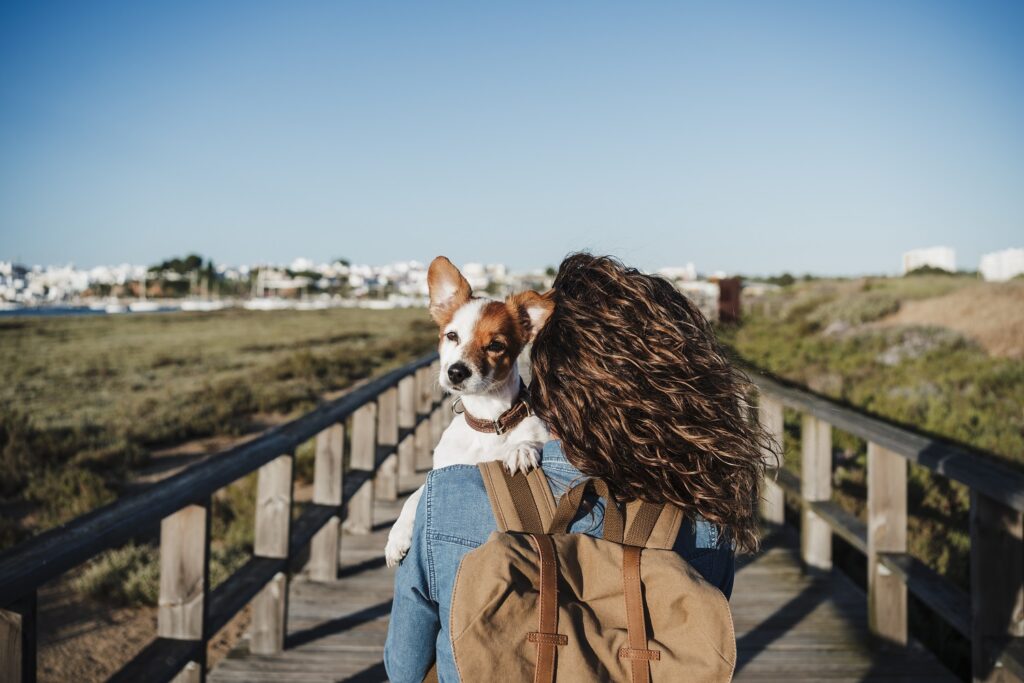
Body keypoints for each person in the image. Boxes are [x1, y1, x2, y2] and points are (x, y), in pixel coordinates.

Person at [384, 253, 772, 683]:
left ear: (551, 372)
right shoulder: (702, 502)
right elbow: (705, 635)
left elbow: (405, 666)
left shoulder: (449, 496)